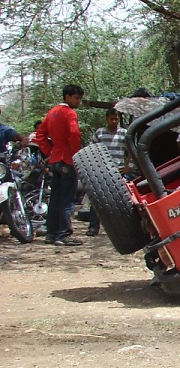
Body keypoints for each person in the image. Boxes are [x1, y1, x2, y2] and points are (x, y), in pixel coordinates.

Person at [36, 84, 84, 246]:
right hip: (67, 159)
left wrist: (48, 151)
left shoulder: (52, 112)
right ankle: (64, 234)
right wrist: (76, 152)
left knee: (55, 197)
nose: (78, 101)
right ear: (68, 97)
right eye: (76, 98)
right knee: (68, 199)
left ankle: (51, 233)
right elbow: (75, 133)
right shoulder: (69, 113)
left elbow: (40, 134)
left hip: (55, 159)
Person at [86, 108, 129, 237]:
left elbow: (131, 151)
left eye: (116, 119)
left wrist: (128, 167)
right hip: (102, 171)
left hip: (119, 171)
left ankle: (121, 229)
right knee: (97, 200)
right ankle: (93, 227)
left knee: (120, 200)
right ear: (107, 119)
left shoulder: (124, 133)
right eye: (111, 119)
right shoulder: (100, 133)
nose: (114, 121)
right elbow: (91, 149)